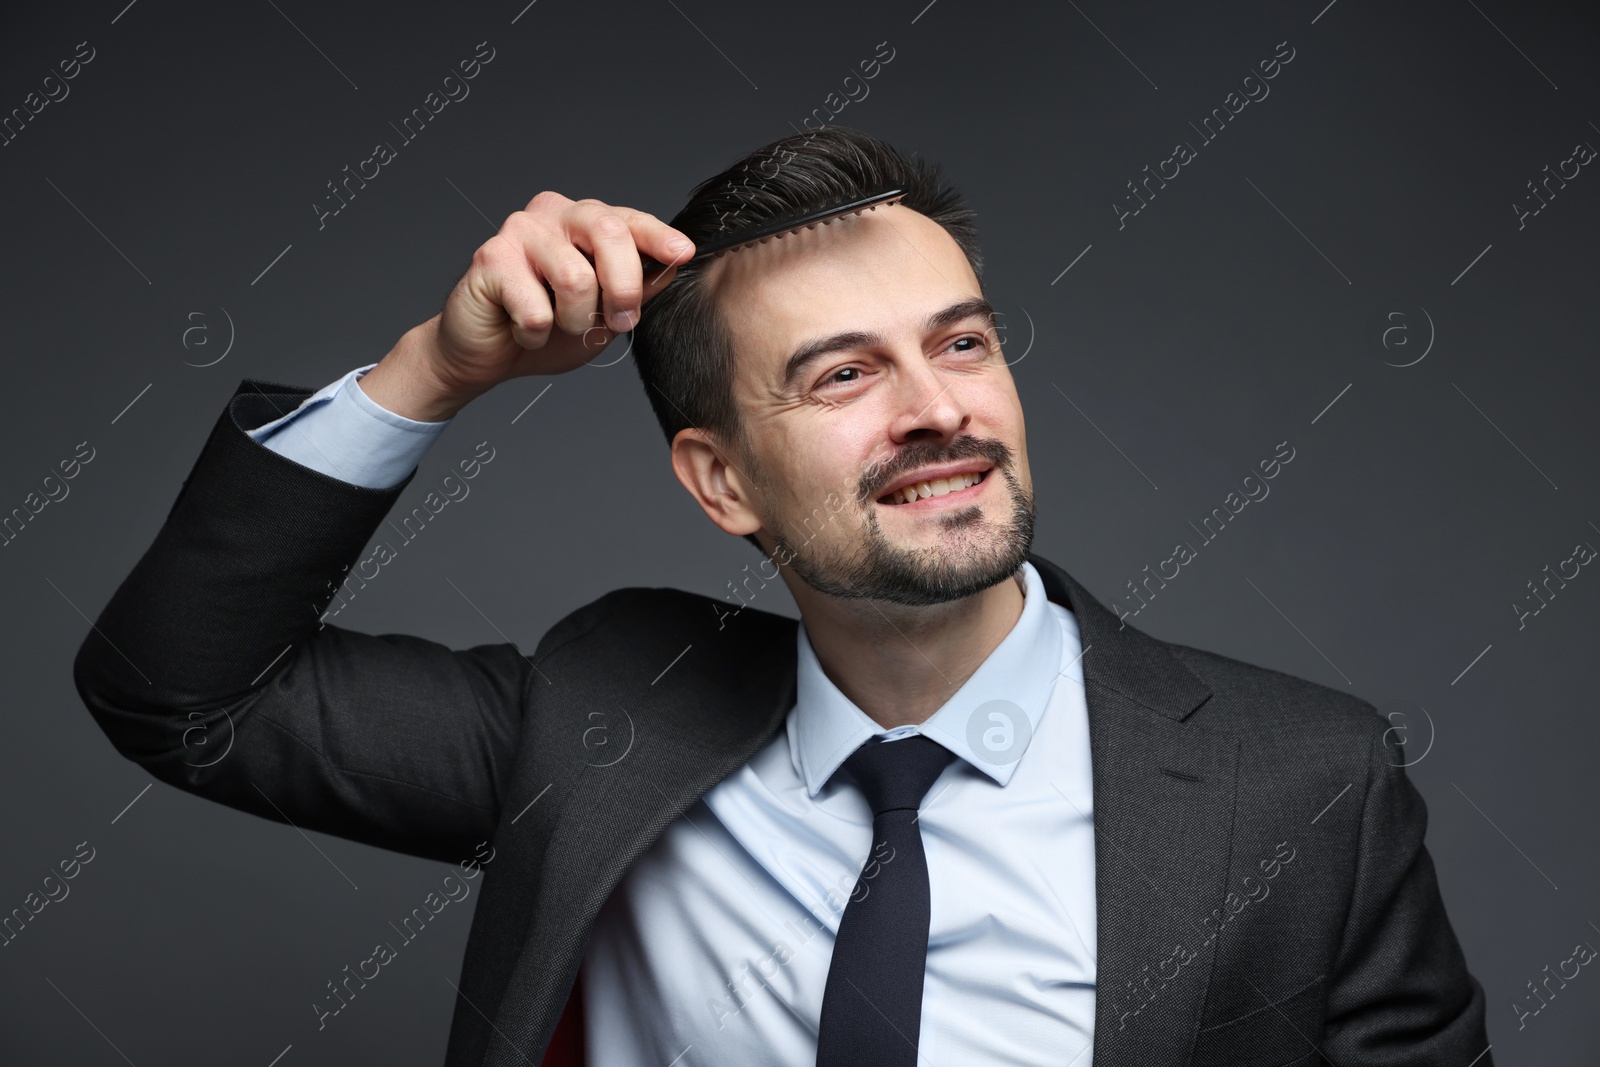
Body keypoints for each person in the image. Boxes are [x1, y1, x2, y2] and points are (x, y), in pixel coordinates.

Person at [73, 126, 1491, 1066]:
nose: (941, 411)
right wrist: (434, 370)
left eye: (964, 342)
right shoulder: (599, 712)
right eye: (845, 374)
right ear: (720, 483)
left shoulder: (1309, 782)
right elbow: (184, 694)